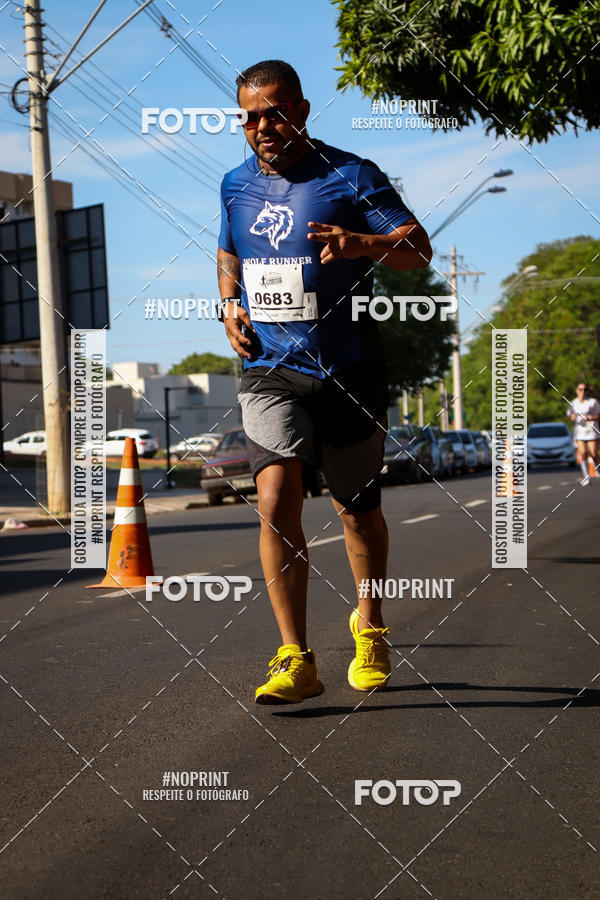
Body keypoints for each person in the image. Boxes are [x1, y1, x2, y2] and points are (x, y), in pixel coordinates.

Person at [217, 60, 432, 704]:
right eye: (250, 117)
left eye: (275, 113)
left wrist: (363, 244)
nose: (262, 127)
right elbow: (228, 250)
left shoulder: (353, 173)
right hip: (269, 368)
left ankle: (370, 627)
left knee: (357, 511)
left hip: (350, 368)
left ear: (303, 111)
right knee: (276, 499)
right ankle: (295, 657)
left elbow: (416, 249)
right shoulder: (233, 184)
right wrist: (229, 302)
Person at [566, 383, 600, 484]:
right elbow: (570, 416)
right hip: (580, 433)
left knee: (593, 453)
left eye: (585, 390)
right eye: (580, 390)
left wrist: (589, 418)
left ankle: (597, 469)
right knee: (583, 453)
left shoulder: (593, 402)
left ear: (587, 391)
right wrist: (576, 417)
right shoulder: (573, 403)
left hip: (592, 431)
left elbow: (598, 415)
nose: (582, 392)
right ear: (577, 391)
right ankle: (586, 477)